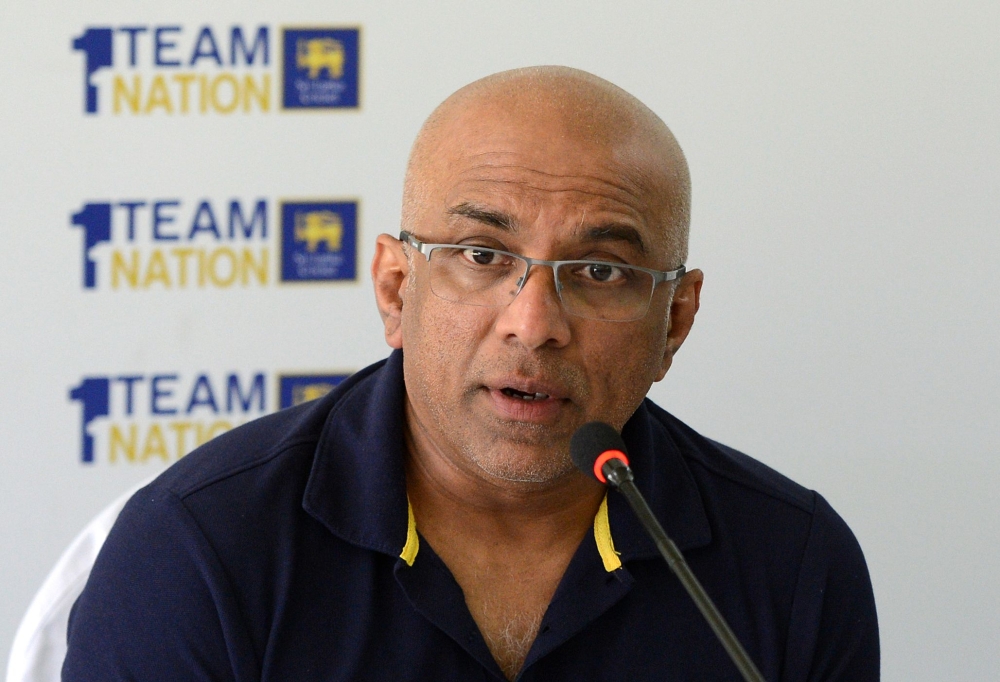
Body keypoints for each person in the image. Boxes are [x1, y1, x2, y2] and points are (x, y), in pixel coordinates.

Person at [63, 67, 879, 681]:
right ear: (395, 289)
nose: (534, 323)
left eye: (599, 271)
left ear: (675, 321)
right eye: (482, 255)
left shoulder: (793, 566)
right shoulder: (199, 550)